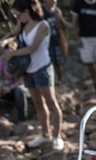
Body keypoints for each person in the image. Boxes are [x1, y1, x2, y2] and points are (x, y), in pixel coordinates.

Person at [1, 0, 63, 150]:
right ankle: (45, 134)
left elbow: (33, 48)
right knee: (38, 104)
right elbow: (13, 34)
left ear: (27, 11)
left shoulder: (43, 26)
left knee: (51, 103)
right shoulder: (22, 24)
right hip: (28, 71)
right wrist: (3, 41)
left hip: (42, 69)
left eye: (18, 15)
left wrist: (11, 53)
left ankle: (57, 137)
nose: (17, 18)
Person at [70, 0, 96, 92]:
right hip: (84, 37)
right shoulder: (78, 4)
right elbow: (74, 22)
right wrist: (77, 38)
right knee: (89, 61)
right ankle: (95, 83)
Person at [42, 0, 71, 82]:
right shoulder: (40, 10)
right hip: (44, 43)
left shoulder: (57, 11)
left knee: (58, 64)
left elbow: (64, 24)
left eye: (55, 0)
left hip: (56, 42)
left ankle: (59, 81)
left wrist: (75, 29)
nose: (53, 2)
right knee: (46, 64)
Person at [0, 41, 29, 124]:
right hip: (8, 87)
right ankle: (5, 114)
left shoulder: (21, 61)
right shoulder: (2, 62)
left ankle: (22, 119)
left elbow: (23, 80)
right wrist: (1, 86)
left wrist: (10, 88)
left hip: (23, 88)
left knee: (19, 90)